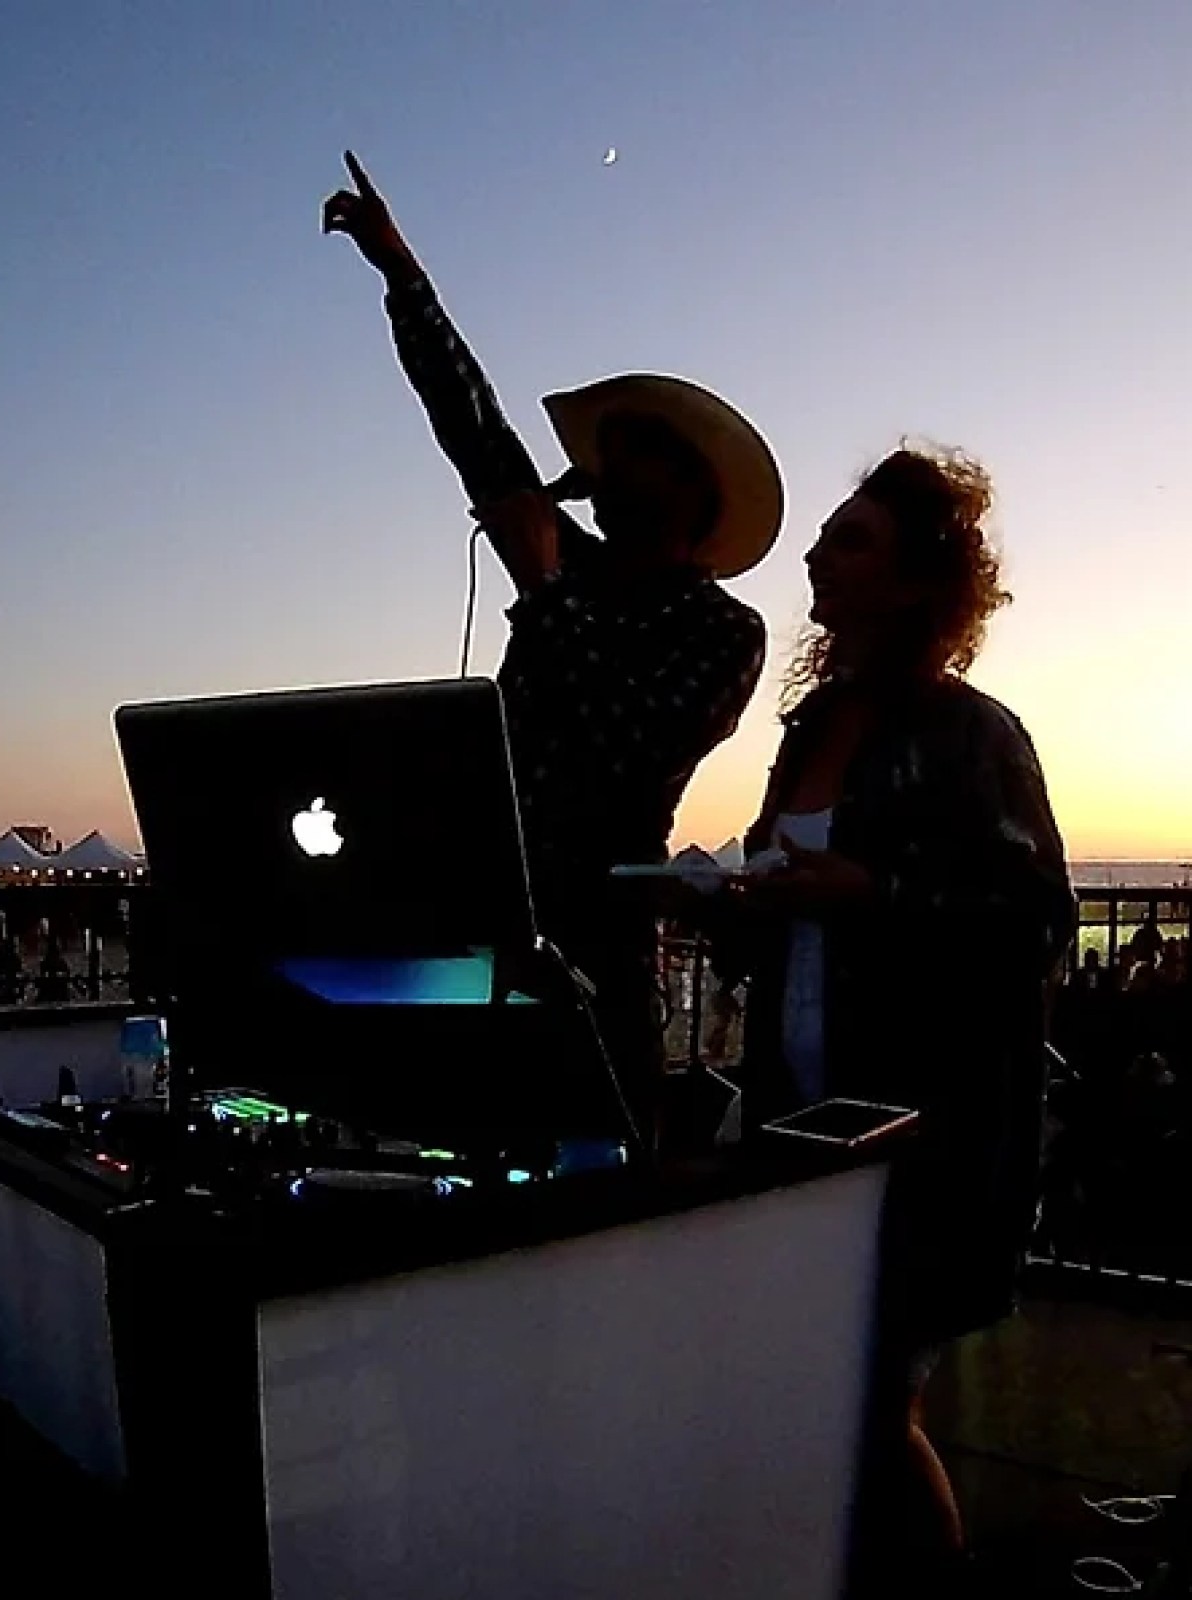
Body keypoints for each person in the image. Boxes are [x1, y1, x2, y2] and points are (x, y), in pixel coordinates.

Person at [322, 152, 783, 1150]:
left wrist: (542, 594)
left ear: (688, 491)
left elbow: (628, 750)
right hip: (481, 931)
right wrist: (403, 276)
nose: (599, 468)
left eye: (629, 454)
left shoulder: (725, 632)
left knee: (594, 1171)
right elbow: (474, 428)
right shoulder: (569, 564)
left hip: (597, 957)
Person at [703, 443, 1075, 1587]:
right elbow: (787, 909)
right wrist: (734, 902)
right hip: (802, 1120)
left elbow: (1037, 920)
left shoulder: (974, 735)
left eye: (851, 539)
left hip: (925, 1139)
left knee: (870, 1408)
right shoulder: (810, 728)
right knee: (814, 1403)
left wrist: (874, 892)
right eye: (825, 535)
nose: (817, 553)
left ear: (919, 579)